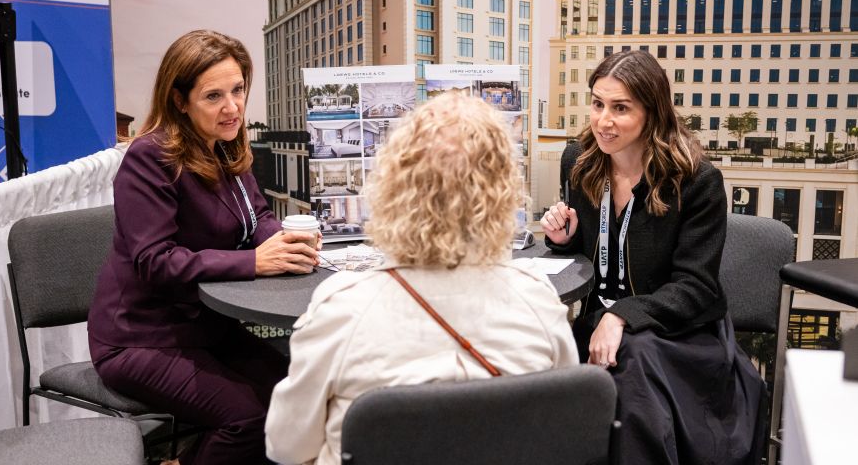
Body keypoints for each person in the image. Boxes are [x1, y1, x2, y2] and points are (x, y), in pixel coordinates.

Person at [265, 93, 577, 465]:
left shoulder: (342, 310)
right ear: (503, 193)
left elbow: (286, 447)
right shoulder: (538, 302)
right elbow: (565, 431)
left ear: (393, 187)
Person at [88, 30, 319, 465]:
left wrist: (284, 241)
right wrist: (255, 261)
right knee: (248, 418)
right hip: (141, 339)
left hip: (205, 329)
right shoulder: (149, 158)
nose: (232, 107)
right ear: (180, 100)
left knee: (296, 391)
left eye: (238, 90)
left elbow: (257, 216)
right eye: (214, 96)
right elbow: (155, 261)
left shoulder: (226, 146)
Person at [541, 50, 766, 465]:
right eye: (598, 104)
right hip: (597, 323)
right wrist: (564, 239)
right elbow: (595, 253)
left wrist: (621, 316)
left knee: (633, 373)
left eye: (620, 108)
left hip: (674, 330)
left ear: (652, 112)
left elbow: (696, 286)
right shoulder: (579, 162)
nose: (603, 121)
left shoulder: (696, 180)